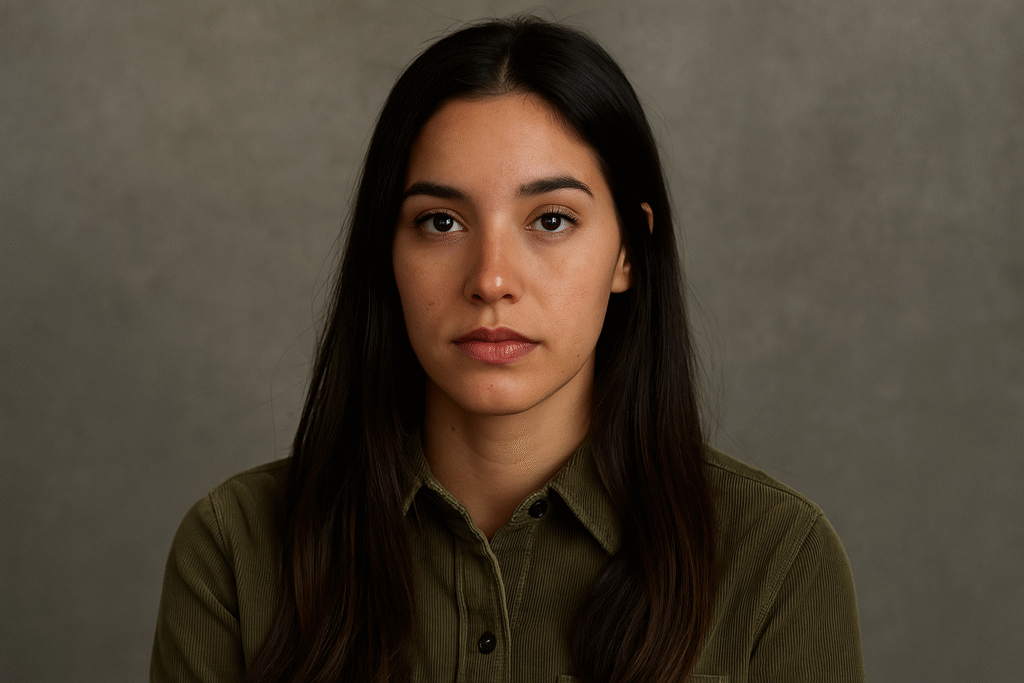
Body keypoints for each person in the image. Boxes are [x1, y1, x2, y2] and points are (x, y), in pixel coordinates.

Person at [151, 16, 864, 683]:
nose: (492, 279)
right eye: (440, 221)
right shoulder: (236, 549)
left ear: (629, 251)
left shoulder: (778, 559)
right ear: (386, 250)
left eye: (551, 219)